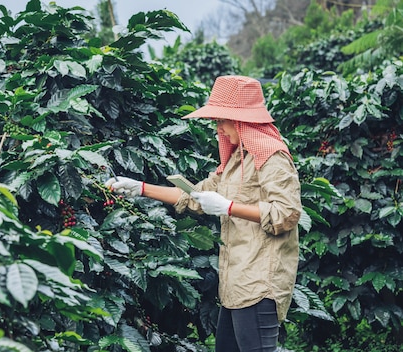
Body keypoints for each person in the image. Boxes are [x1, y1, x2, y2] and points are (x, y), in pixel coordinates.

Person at [105, 75, 301, 352]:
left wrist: (229, 207)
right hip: (234, 284)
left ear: (241, 119)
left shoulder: (271, 157)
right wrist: (141, 188)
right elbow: (194, 196)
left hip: (259, 283)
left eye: (222, 120)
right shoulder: (236, 160)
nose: (219, 128)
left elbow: (287, 213)